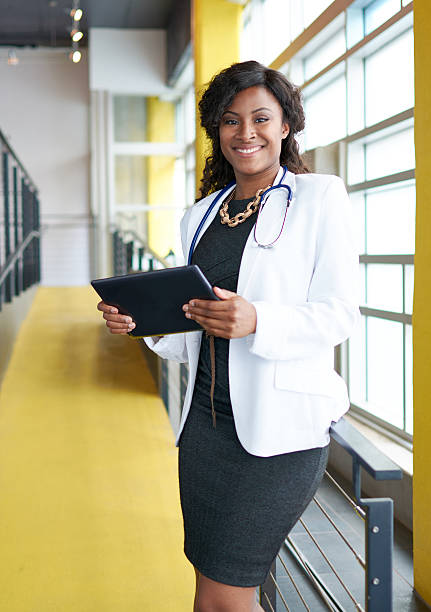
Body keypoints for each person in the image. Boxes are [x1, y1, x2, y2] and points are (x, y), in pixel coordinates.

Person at [97, 60, 360, 612]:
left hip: (276, 434)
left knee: (227, 594)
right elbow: (188, 324)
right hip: (206, 430)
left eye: (261, 118)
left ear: (286, 125)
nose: (247, 133)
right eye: (231, 121)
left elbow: (338, 314)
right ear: (217, 131)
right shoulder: (203, 213)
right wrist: (140, 324)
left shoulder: (318, 199)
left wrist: (258, 320)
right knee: (211, 588)